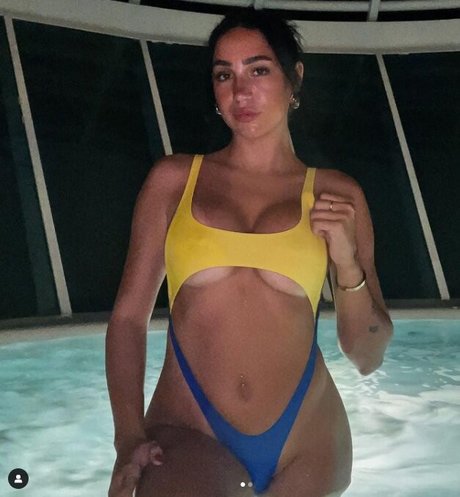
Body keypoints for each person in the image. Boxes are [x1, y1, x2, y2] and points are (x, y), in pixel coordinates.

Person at [106, 9, 393, 497]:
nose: (240, 92)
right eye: (224, 75)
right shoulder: (174, 181)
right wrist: (127, 436)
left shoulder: (336, 194)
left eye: (258, 70)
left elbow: (366, 355)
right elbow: (129, 319)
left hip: (307, 441)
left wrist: (347, 264)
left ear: (294, 78)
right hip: (187, 427)